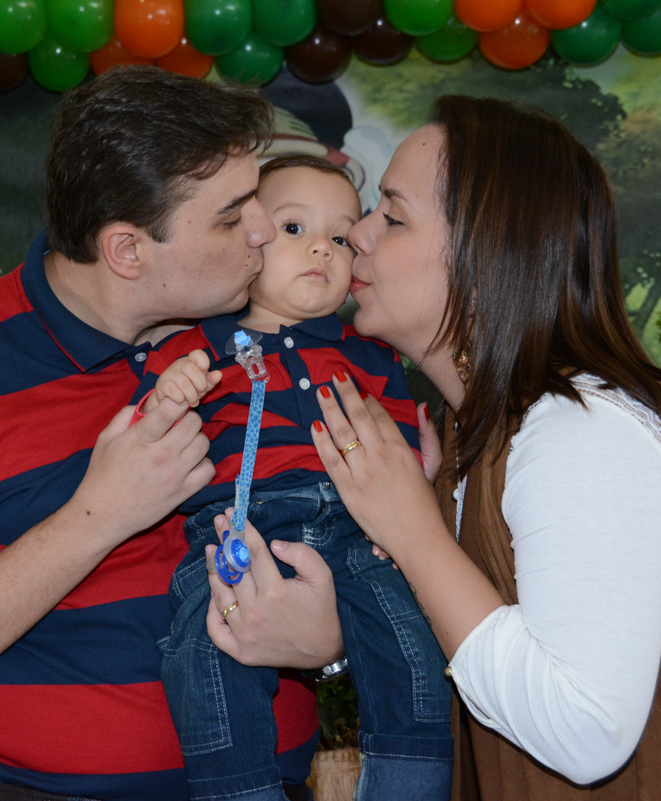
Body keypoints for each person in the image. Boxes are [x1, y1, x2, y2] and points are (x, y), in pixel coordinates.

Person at [0, 67, 346, 801]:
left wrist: (330, 642)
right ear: (127, 250)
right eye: (233, 216)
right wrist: (96, 517)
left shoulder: (282, 338)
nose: (264, 231)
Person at [292, 94, 661, 800]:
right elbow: (492, 633)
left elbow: (586, 730)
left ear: (487, 259)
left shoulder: (585, 429)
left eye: (392, 215)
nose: (357, 235)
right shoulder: (473, 429)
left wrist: (414, 534)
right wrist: (328, 636)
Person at [135, 155, 453, 800]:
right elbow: (146, 438)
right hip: (234, 533)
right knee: (203, 651)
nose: (320, 248)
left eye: (340, 237)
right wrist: (167, 395)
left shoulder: (370, 352)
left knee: (412, 644)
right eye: (292, 228)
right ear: (248, 241)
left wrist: (421, 475)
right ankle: (238, 790)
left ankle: (409, 782)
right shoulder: (194, 347)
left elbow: (395, 455)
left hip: (356, 532)